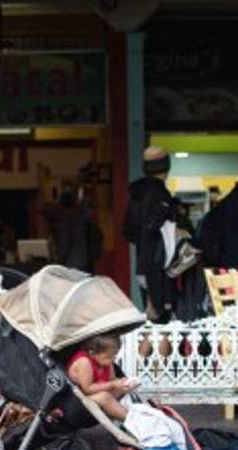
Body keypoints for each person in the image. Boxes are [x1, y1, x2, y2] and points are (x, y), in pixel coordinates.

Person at [124, 147, 177, 322]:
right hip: (159, 265)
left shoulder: (135, 194)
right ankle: (144, 350)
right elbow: (155, 225)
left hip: (142, 264)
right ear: (166, 167)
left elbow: (128, 231)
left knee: (153, 317)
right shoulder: (160, 193)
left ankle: (141, 349)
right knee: (162, 319)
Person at [67, 334, 134, 421]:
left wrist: (124, 383)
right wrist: (113, 384)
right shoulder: (84, 362)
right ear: (92, 353)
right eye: (109, 357)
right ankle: (132, 421)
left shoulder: (105, 361)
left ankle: (133, 412)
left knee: (122, 388)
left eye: (114, 355)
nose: (113, 359)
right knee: (105, 397)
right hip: (77, 400)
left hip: (93, 395)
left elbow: (111, 380)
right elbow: (87, 389)